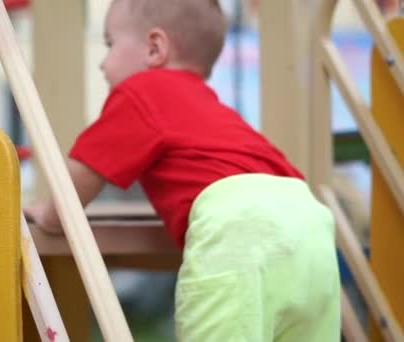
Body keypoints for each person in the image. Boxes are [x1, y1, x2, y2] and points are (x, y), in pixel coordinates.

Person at [24, 0, 341, 340]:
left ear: (155, 48)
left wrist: (48, 213)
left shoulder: (141, 91)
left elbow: (78, 181)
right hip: (311, 226)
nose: (103, 63)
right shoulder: (210, 105)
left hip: (240, 228)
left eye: (110, 44)